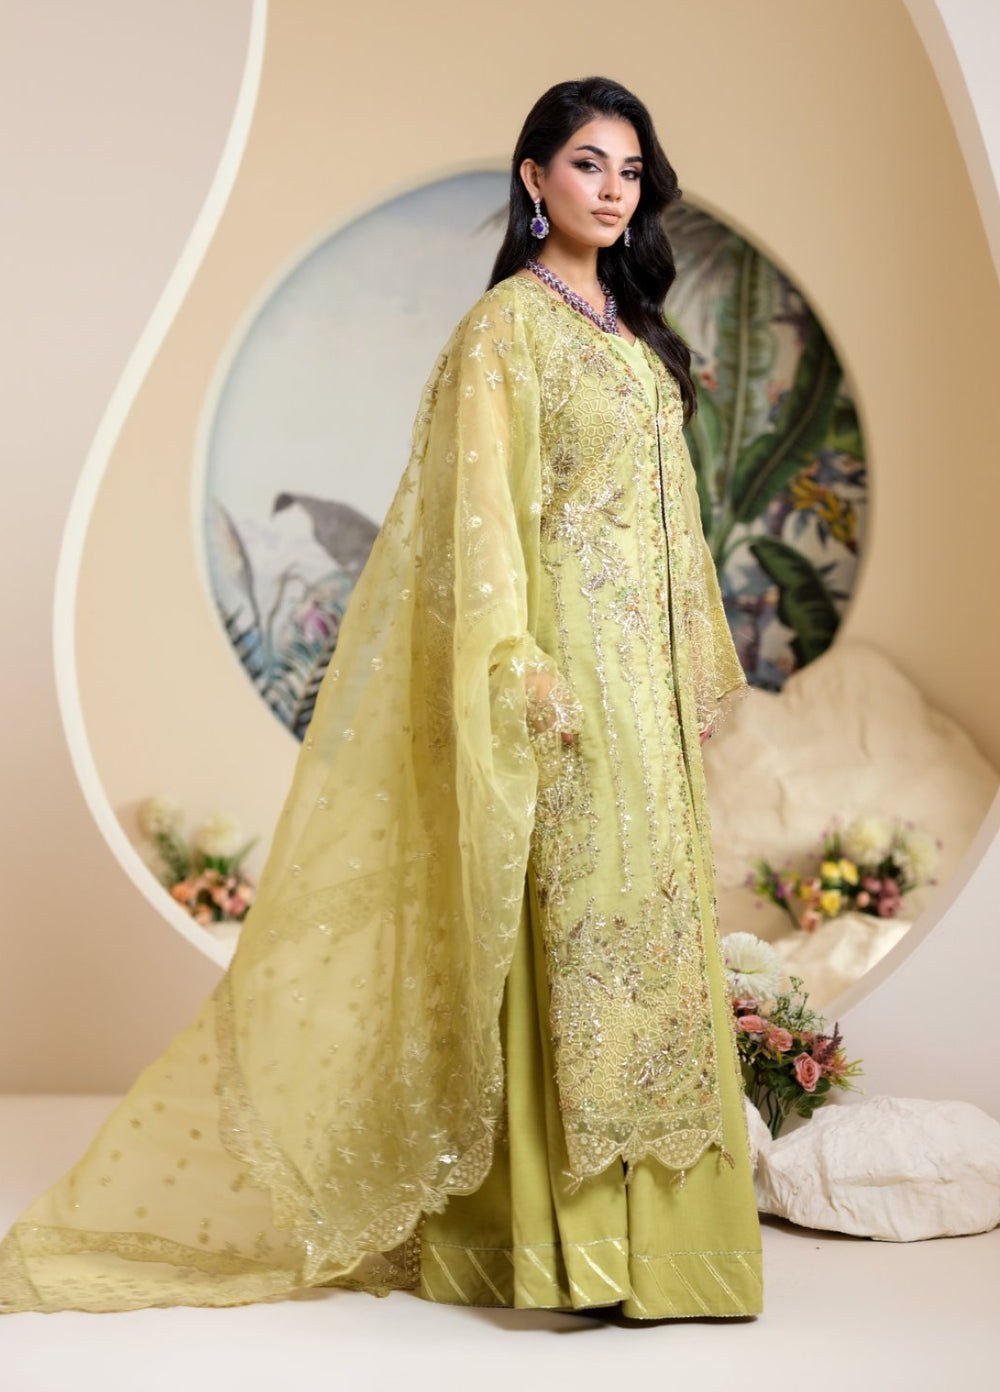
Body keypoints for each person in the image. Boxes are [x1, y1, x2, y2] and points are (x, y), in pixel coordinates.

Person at [0, 75, 762, 1319]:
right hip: (564, 679)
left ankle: (674, 1256)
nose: (614, 189)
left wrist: (688, 665)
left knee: (652, 938)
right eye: (588, 163)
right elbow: (479, 520)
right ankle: (555, 1252)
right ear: (535, 179)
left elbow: (675, 526)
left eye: (630, 169)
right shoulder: (505, 331)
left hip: (647, 697)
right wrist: (517, 667)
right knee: (566, 938)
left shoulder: (635, 335)